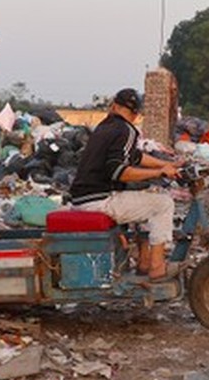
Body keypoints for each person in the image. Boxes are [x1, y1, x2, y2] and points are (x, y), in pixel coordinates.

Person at [68, 88, 181, 279]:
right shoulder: (126, 130)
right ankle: (157, 267)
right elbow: (118, 171)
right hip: (99, 202)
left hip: (81, 200)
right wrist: (159, 172)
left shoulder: (105, 127)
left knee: (145, 200)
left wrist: (168, 164)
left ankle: (144, 263)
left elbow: (135, 157)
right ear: (136, 114)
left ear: (113, 106)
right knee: (163, 204)